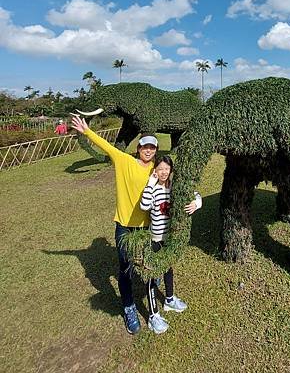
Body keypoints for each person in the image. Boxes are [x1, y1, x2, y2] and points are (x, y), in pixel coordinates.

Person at [70, 113, 196, 335]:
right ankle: (129, 307)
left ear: (156, 151)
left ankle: (162, 294)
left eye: (152, 148)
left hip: (148, 227)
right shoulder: (124, 161)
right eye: (145, 146)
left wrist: (195, 201)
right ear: (138, 148)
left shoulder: (156, 169)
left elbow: (178, 179)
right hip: (125, 226)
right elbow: (107, 147)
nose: (148, 150)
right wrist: (87, 131)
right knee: (125, 268)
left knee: (150, 263)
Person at [140, 155, 202, 334]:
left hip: (170, 238)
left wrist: (195, 204)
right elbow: (144, 206)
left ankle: (169, 299)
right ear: (155, 171)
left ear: (171, 170)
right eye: (160, 169)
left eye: (167, 169)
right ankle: (153, 315)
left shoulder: (175, 187)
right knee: (152, 275)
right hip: (155, 239)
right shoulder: (152, 188)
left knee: (168, 268)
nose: (164, 172)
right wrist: (151, 183)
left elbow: (196, 195)